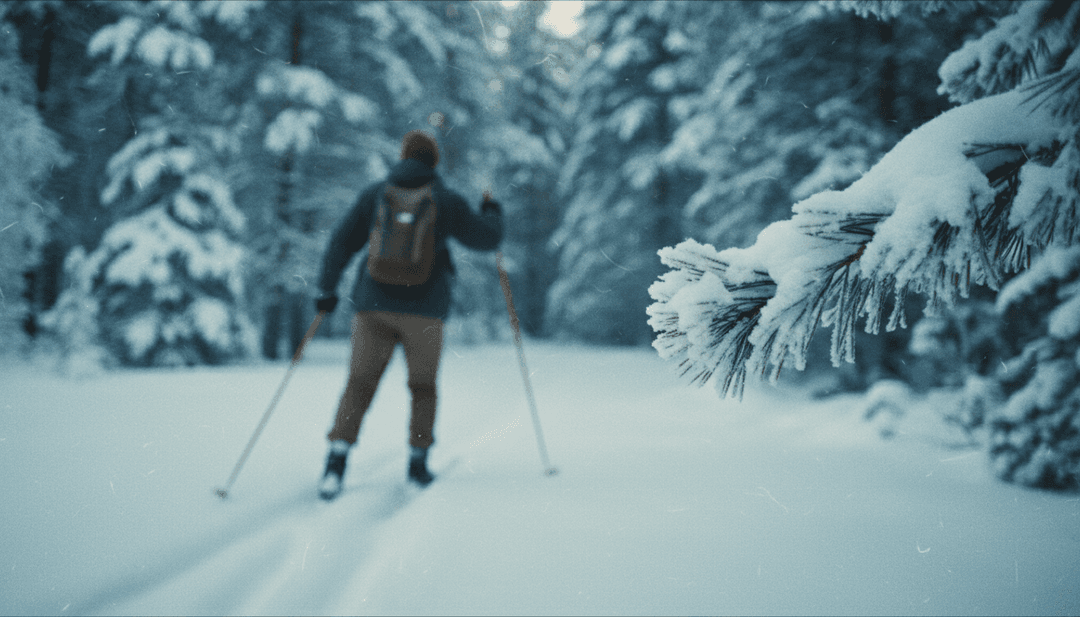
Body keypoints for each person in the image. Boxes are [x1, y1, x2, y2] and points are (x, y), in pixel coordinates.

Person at [314, 130, 503, 500]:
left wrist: (326, 290)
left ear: (403, 157)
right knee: (422, 387)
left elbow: (341, 241)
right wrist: (492, 213)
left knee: (359, 383)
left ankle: (335, 463)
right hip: (426, 311)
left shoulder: (375, 194)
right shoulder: (446, 201)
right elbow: (486, 240)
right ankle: (417, 465)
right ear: (433, 161)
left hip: (372, 306)